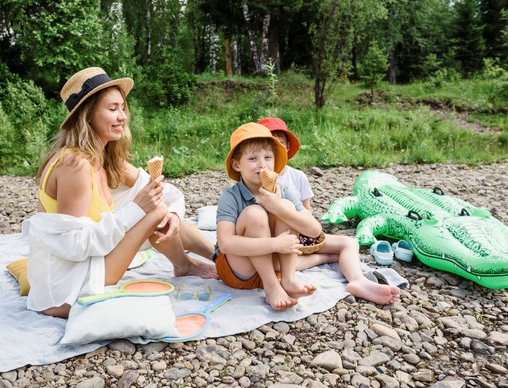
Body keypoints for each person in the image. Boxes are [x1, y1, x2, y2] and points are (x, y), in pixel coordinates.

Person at [24, 67, 216, 319]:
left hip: (89, 266)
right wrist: (137, 208)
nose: (122, 116)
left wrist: (176, 218)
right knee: (155, 211)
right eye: (112, 108)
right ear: (88, 114)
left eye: (122, 108)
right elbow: (75, 246)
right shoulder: (75, 165)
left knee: (163, 212)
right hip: (65, 290)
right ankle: (193, 264)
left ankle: (223, 257)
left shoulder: (104, 159)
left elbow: (167, 193)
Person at [257, 117, 401, 305]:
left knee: (348, 243)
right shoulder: (254, 177)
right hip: (276, 240)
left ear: (287, 147)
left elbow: (307, 211)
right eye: (268, 146)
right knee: (272, 262)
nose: (273, 152)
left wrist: (295, 220)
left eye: (279, 144)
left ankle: (358, 280)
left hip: (301, 232)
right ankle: (323, 258)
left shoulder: (297, 176)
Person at [214, 122, 317, 311]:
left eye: (268, 157)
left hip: (272, 265)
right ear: (237, 165)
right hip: (238, 270)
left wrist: (278, 208)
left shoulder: (283, 190)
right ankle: (271, 287)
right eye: (253, 158)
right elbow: (225, 243)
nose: (262, 164)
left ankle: (288, 279)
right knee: (255, 213)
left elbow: (314, 229)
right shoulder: (230, 197)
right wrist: (276, 244)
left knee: (285, 206)